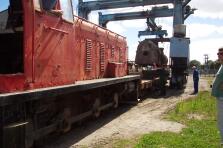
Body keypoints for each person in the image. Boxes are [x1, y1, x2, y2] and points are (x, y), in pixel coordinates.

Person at [212, 47, 223, 145]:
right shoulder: (221, 65)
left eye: (221, 53)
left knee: (221, 120)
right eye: (218, 53)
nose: (219, 55)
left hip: (222, 97)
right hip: (220, 96)